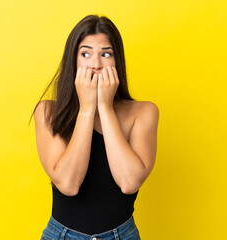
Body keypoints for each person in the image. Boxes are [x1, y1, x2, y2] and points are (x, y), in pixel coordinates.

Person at [29, 14, 159, 240]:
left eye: (105, 54)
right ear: (73, 61)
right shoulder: (48, 112)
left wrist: (105, 108)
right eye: (85, 54)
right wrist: (87, 109)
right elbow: (69, 184)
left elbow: (129, 182)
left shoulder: (143, 112)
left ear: (116, 60)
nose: (96, 65)